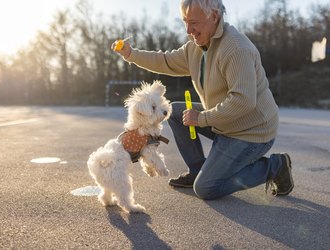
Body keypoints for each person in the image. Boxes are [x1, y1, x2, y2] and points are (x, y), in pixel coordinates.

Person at [111, 0, 294, 199]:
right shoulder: (196, 48)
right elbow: (165, 61)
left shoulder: (236, 49)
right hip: (224, 122)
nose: (189, 30)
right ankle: (197, 170)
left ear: (214, 17)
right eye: (185, 22)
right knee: (175, 112)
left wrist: (202, 118)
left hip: (251, 131)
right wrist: (131, 54)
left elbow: (243, 101)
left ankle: (275, 167)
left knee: (207, 188)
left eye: (194, 22)